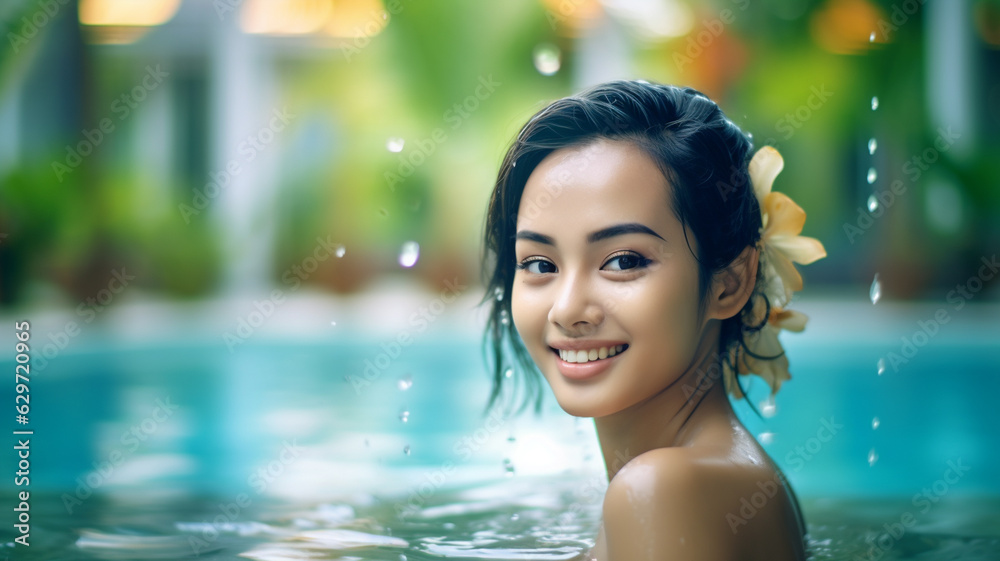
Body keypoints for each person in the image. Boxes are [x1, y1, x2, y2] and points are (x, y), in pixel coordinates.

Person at [478, 80, 826, 560]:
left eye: (622, 261)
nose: (567, 309)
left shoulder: (662, 491)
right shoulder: (717, 477)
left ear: (730, 283)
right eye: (540, 264)